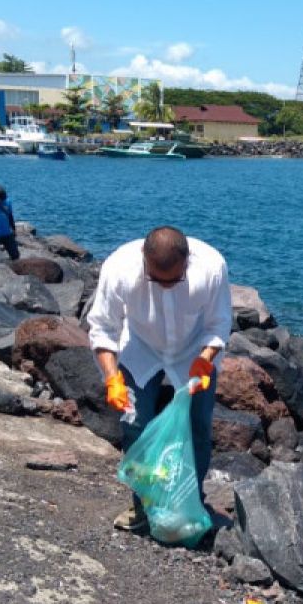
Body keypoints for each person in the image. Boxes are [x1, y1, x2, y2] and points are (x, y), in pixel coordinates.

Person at [86, 226, 232, 533]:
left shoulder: (212, 266)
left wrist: (205, 359)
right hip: (141, 349)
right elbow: (102, 328)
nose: (165, 287)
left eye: (174, 281)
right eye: (156, 280)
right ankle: (143, 505)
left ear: (188, 262)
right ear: (143, 260)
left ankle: (193, 500)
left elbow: (218, 325)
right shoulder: (119, 267)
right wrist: (112, 377)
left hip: (194, 354)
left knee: (198, 427)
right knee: (135, 425)